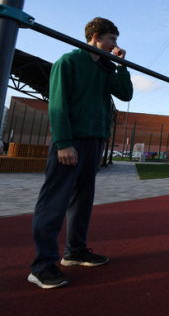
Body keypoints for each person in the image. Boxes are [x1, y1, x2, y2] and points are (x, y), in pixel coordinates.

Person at [28, 18, 133, 289]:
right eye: (112, 39)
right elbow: (58, 104)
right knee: (55, 199)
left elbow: (125, 93)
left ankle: (75, 251)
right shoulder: (69, 62)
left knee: (83, 198)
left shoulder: (107, 67)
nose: (115, 46)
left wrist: (122, 65)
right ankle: (41, 266)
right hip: (71, 139)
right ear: (96, 37)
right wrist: (63, 142)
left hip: (94, 139)